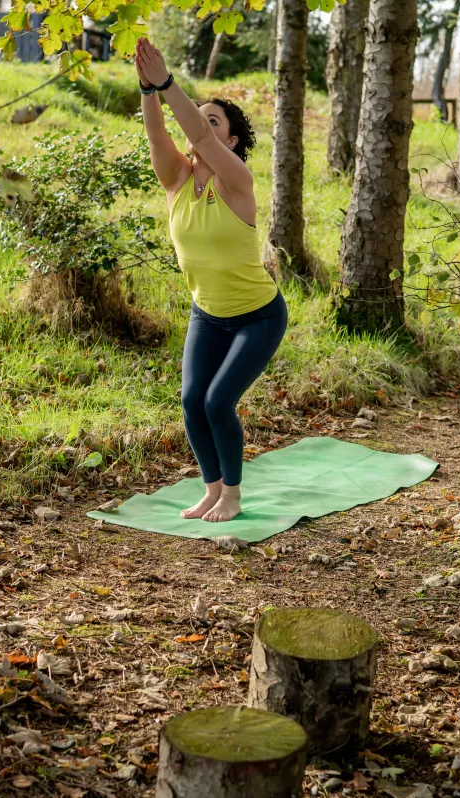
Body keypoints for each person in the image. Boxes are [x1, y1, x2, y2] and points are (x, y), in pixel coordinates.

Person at [135, 37, 288, 523]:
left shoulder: (236, 181)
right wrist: (147, 90)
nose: (199, 126)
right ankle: (212, 489)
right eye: (199, 119)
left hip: (257, 317)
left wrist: (166, 82)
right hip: (208, 313)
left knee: (219, 402)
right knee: (191, 401)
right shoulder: (177, 181)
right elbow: (158, 137)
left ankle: (233, 495)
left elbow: (199, 137)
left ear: (232, 141)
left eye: (214, 121)